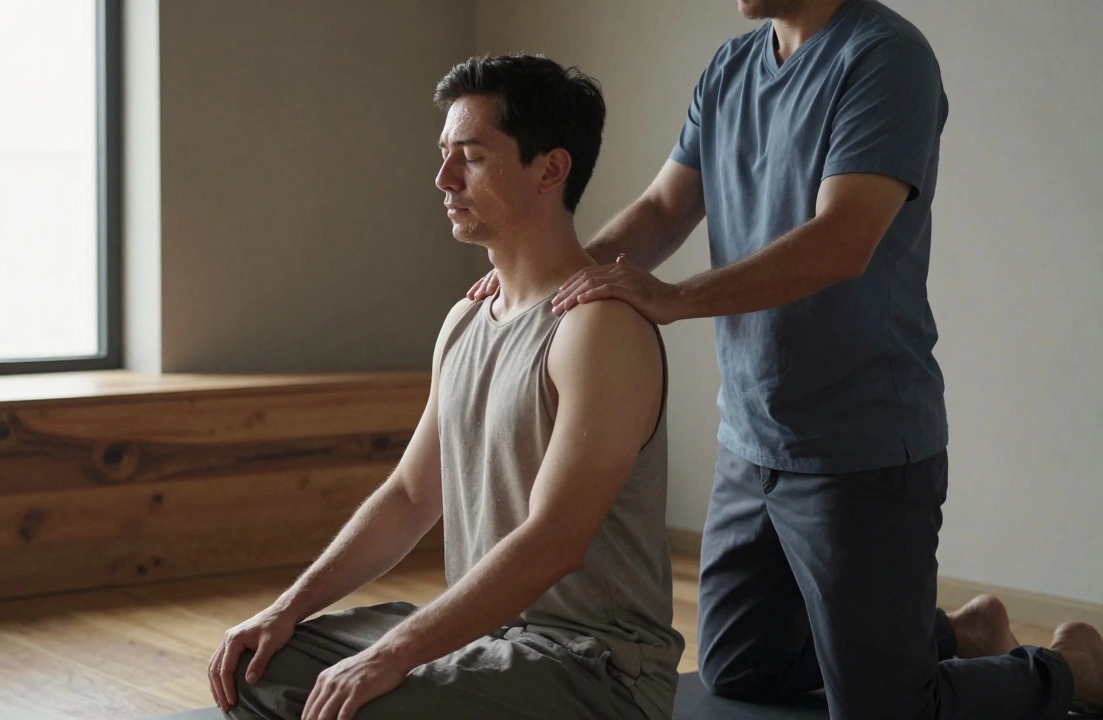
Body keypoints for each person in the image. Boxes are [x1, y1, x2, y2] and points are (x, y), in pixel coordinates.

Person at [470, 1, 1103, 719]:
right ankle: (960, 633)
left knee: (884, 709)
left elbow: (844, 239)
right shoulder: (730, 68)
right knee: (740, 668)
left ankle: (1067, 667)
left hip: (860, 444)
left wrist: (673, 298)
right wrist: (556, 280)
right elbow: (663, 209)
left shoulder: (886, 57)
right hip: (752, 438)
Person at [208, 54, 684, 720]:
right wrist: (287, 609)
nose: (444, 178)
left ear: (550, 169)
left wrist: (395, 654)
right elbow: (409, 495)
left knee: (364, 706)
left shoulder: (599, 332)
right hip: (484, 639)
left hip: (592, 668)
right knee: (256, 666)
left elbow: (554, 540)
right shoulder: (466, 318)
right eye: (444, 155)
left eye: (473, 158)